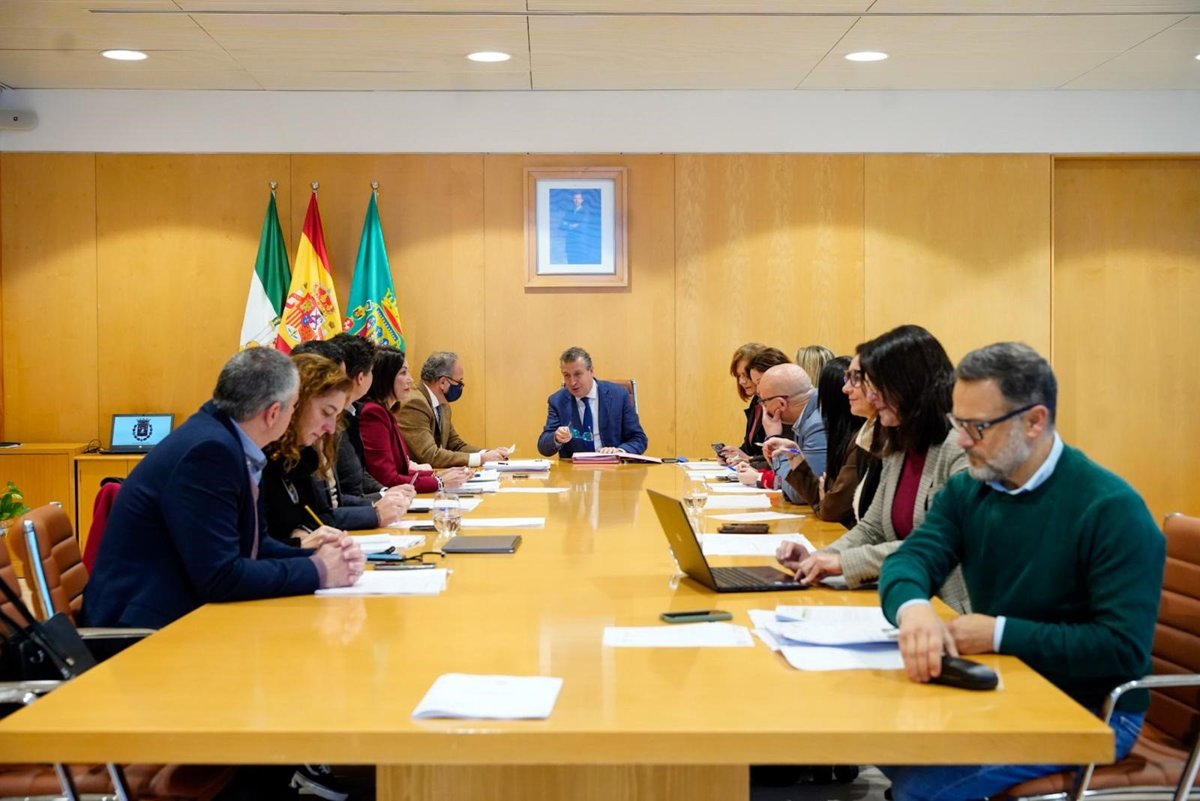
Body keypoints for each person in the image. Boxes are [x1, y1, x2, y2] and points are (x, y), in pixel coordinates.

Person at [878, 342, 1163, 801]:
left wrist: (998, 634)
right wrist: (914, 609)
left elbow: (1122, 650)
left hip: (1094, 709)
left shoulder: (1111, 508)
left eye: (977, 427)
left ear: (1034, 421)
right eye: (957, 423)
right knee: (886, 741)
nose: (962, 441)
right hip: (1008, 682)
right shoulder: (971, 489)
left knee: (918, 787)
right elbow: (911, 559)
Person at [83, 347, 365, 631]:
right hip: (142, 630)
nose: (330, 429)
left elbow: (254, 547)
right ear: (273, 413)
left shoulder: (226, 440)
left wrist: (320, 558)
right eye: (293, 407)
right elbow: (221, 577)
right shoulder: (210, 453)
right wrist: (320, 570)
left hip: (178, 612)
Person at [774, 324, 970, 613]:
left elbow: (937, 543)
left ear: (911, 384)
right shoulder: (899, 443)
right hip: (903, 595)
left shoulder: (959, 449)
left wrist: (842, 562)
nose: (871, 395)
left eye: (873, 384)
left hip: (948, 607)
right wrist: (819, 557)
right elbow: (872, 528)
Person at [261, 353, 410, 542]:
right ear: (297, 404)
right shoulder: (265, 457)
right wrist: (299, 545)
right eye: (326, 412)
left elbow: (313, 516)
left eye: (336, 416)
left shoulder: (304, 455)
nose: (331, 428)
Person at [360, 346, 471, 493]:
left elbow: (403, 470)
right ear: (386, 377)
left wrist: (437, 475)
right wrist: (439, 481)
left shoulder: (388, 412)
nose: (410, 380)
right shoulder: (374, 413)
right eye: (403, 373)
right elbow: (388, 479)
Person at [397, 351, 510, 468]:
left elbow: (456, 445)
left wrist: (488, 454)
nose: (461, 386)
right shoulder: (415, 403)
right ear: (443, 382)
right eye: (459, 382)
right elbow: (430, 455)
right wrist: (481, 459)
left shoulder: (443, 404)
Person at [737, 363, 826, 504]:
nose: (763, 408)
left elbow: (801, 493)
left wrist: (775, 441)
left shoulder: (817, 424)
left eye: (763, 401)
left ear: (781, 404)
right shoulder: (810, 414)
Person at [537, 346, 649, 457]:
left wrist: (619, 451)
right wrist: (556, 438)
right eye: (567, 376)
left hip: (613, 465)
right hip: (575, 467)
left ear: (591, 371)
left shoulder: (619, 395)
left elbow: (639, 439)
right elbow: (543, 447)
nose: (572, 382)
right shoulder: (557, 401)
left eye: (577, 374)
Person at [329, 333, 385, 499]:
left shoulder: (353, 412)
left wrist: (384, 492)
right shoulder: (332, 421)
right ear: (361, 377)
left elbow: (358, 475)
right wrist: (379, 499)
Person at [719, 345, 790, 468]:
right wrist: (735, 454)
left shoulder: (780, 405)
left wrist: (750, 460)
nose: (741, 381)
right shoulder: (756, 403)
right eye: (739, 376)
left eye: (745, 375)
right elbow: (750, 448)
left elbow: (783, 457)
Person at [559, 191, 597, 264]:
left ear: (582, 200)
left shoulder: (586, 212)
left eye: (578, 198)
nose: (576, 200)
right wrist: (572, 225)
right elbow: (561, 226)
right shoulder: (569, 212)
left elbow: (583, 226)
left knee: (579, 263)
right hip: (570, 242)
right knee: (570, 262)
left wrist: (568, 224)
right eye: (575, 198)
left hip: (580, 242)